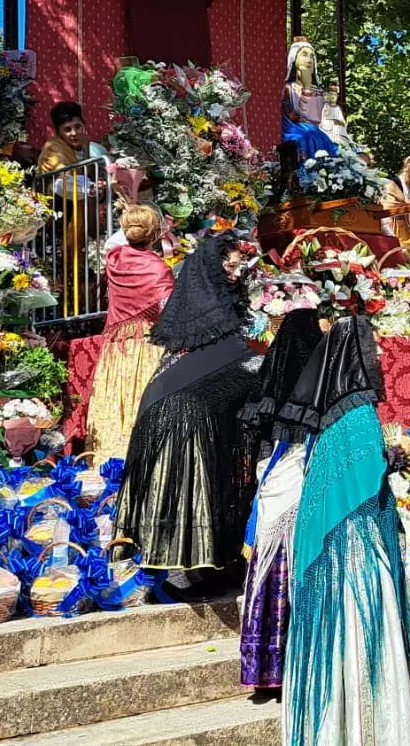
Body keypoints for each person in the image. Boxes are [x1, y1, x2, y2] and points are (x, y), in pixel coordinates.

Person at [282, 317, 410, 746]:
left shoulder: (330, 420)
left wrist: (386, 460)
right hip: (357, 554)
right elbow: (367, 486)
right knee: (365, 648)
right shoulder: (360, 415)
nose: (378, 355)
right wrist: (393, 461)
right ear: (357, 358)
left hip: (330, 554)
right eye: (372, 348)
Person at [114, 232, 259, 592]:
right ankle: (187, 568)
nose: (238, 275)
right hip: (185, 413)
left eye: (240, 267)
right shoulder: (208, 316)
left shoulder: (212, 315)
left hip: (185, 406)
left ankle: (194, 566)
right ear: (213, 270)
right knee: (190, 484)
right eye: (231, 267)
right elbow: (236, 366)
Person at [237, 307, 326, 690]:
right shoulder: (315, 385)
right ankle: (290, 667)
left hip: (273, 483)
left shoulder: (272, 385)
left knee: (266, 577)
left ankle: (263, 670)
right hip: (294, 485)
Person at [82, 204, 174, 458]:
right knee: (140, 399)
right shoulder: (158, 268)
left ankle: (107, 460)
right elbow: (167, 309)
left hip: (116, 347)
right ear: (154, 234)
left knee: (115, 398)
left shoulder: (114, 260)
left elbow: (114, 241)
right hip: (147, 347)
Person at [281, 37, 337, 160]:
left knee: (335, 146)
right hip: (296, 130)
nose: (309, 59)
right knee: (308, 137)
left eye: (312, 56)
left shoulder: (319, 92)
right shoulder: (289, 88)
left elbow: (325, 117)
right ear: (294, 59)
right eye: (304, 55)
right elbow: (293, 115)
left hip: (318, 130)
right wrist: (306, 88)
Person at [36, 101, 105, 172]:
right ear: (58, 132)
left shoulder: (93, 147)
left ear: (83, 125)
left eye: (78, 127)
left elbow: (90, 177)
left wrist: (86, 148)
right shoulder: (53, 150)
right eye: (67, 129)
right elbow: (66, 178)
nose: (74, 133)